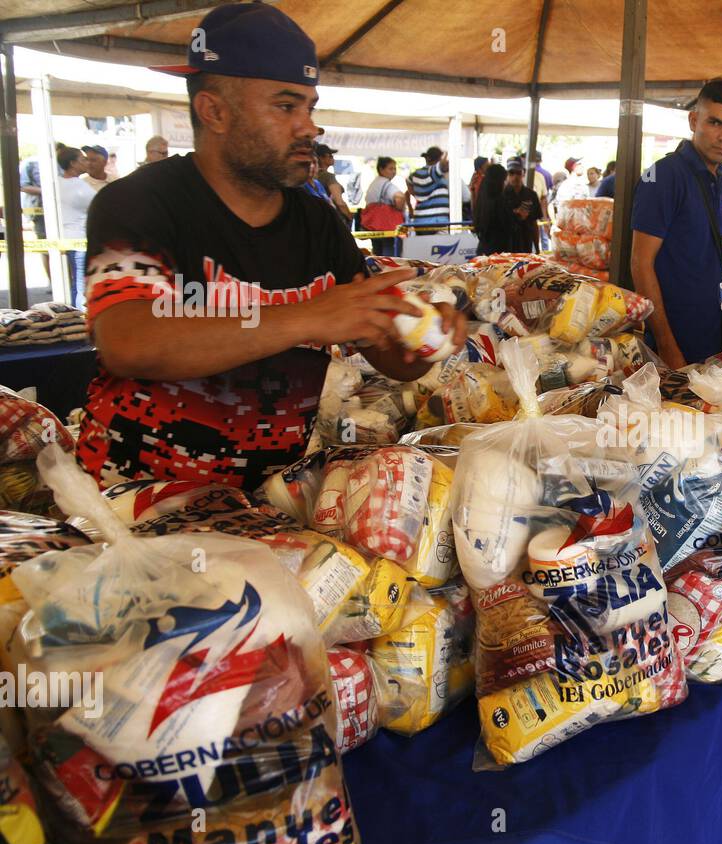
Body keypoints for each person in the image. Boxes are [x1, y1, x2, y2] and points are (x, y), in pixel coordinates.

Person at [75, 3, 464, 493]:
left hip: (257, 502)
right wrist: (305, 317)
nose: (309, 127)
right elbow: (128, 342)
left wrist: (426, 339)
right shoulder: (140, 202)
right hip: (129, 505)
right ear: (213, 111)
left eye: (310, 107)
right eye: (285, 106)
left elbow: (387, 356)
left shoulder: (317, 221)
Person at [631, 78, 722, 368]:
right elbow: (640, 263)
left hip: (717, 333)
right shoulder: (663, 176)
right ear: (694, 119)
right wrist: (667, 346)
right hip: (675, 341)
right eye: (715, 123)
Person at [56, 145, 96, 308]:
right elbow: (99, 205)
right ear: (72, 163)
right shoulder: (80, 186)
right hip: (79, 239)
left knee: (75, 282)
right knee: (81, 284)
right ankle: (80, 318)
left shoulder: (56, 183)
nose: (87, 162)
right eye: (83, 159)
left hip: (64, 238)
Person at [364, 157, 405, 256]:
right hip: (387, 226)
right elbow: (399, 197)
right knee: (389, 255)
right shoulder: (386, 184)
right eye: (390, 168)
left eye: (395, 169)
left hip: (374, 226)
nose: (394, 172)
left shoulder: (374, 183)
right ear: (381, 169)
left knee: (378, 255)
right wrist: (399, 208)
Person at [407, 146, 451, 234]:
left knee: (423, 247)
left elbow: (408, 182)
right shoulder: (433, 172)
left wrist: (417, 195)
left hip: (420, 222)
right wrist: (445, 156)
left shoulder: (415, 174)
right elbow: (442, 166)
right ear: (438, 159)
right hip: (437, 223)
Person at [472, 163, 513, 255]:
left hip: (483, 249)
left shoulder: (482, 199)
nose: (506, 183)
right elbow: (507, 227)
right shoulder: (500, 202)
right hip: (499, 253)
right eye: (504, 180)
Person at [503, 158, 542, 253]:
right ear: (507, 175)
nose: (515, 176)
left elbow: (534, 223)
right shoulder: (501, 195)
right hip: (507, 245)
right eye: (511, 173)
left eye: (518, 173)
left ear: (523, 173)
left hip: (526, 244)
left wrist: (537, 248)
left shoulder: (531, 195)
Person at [313, 143, 351, 222]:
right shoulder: (328, 176)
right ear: (321, 158)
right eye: (330, 155)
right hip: (331, 218)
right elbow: (339, 202)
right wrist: (349, 216)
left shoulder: (311, 177)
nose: (333, 157)